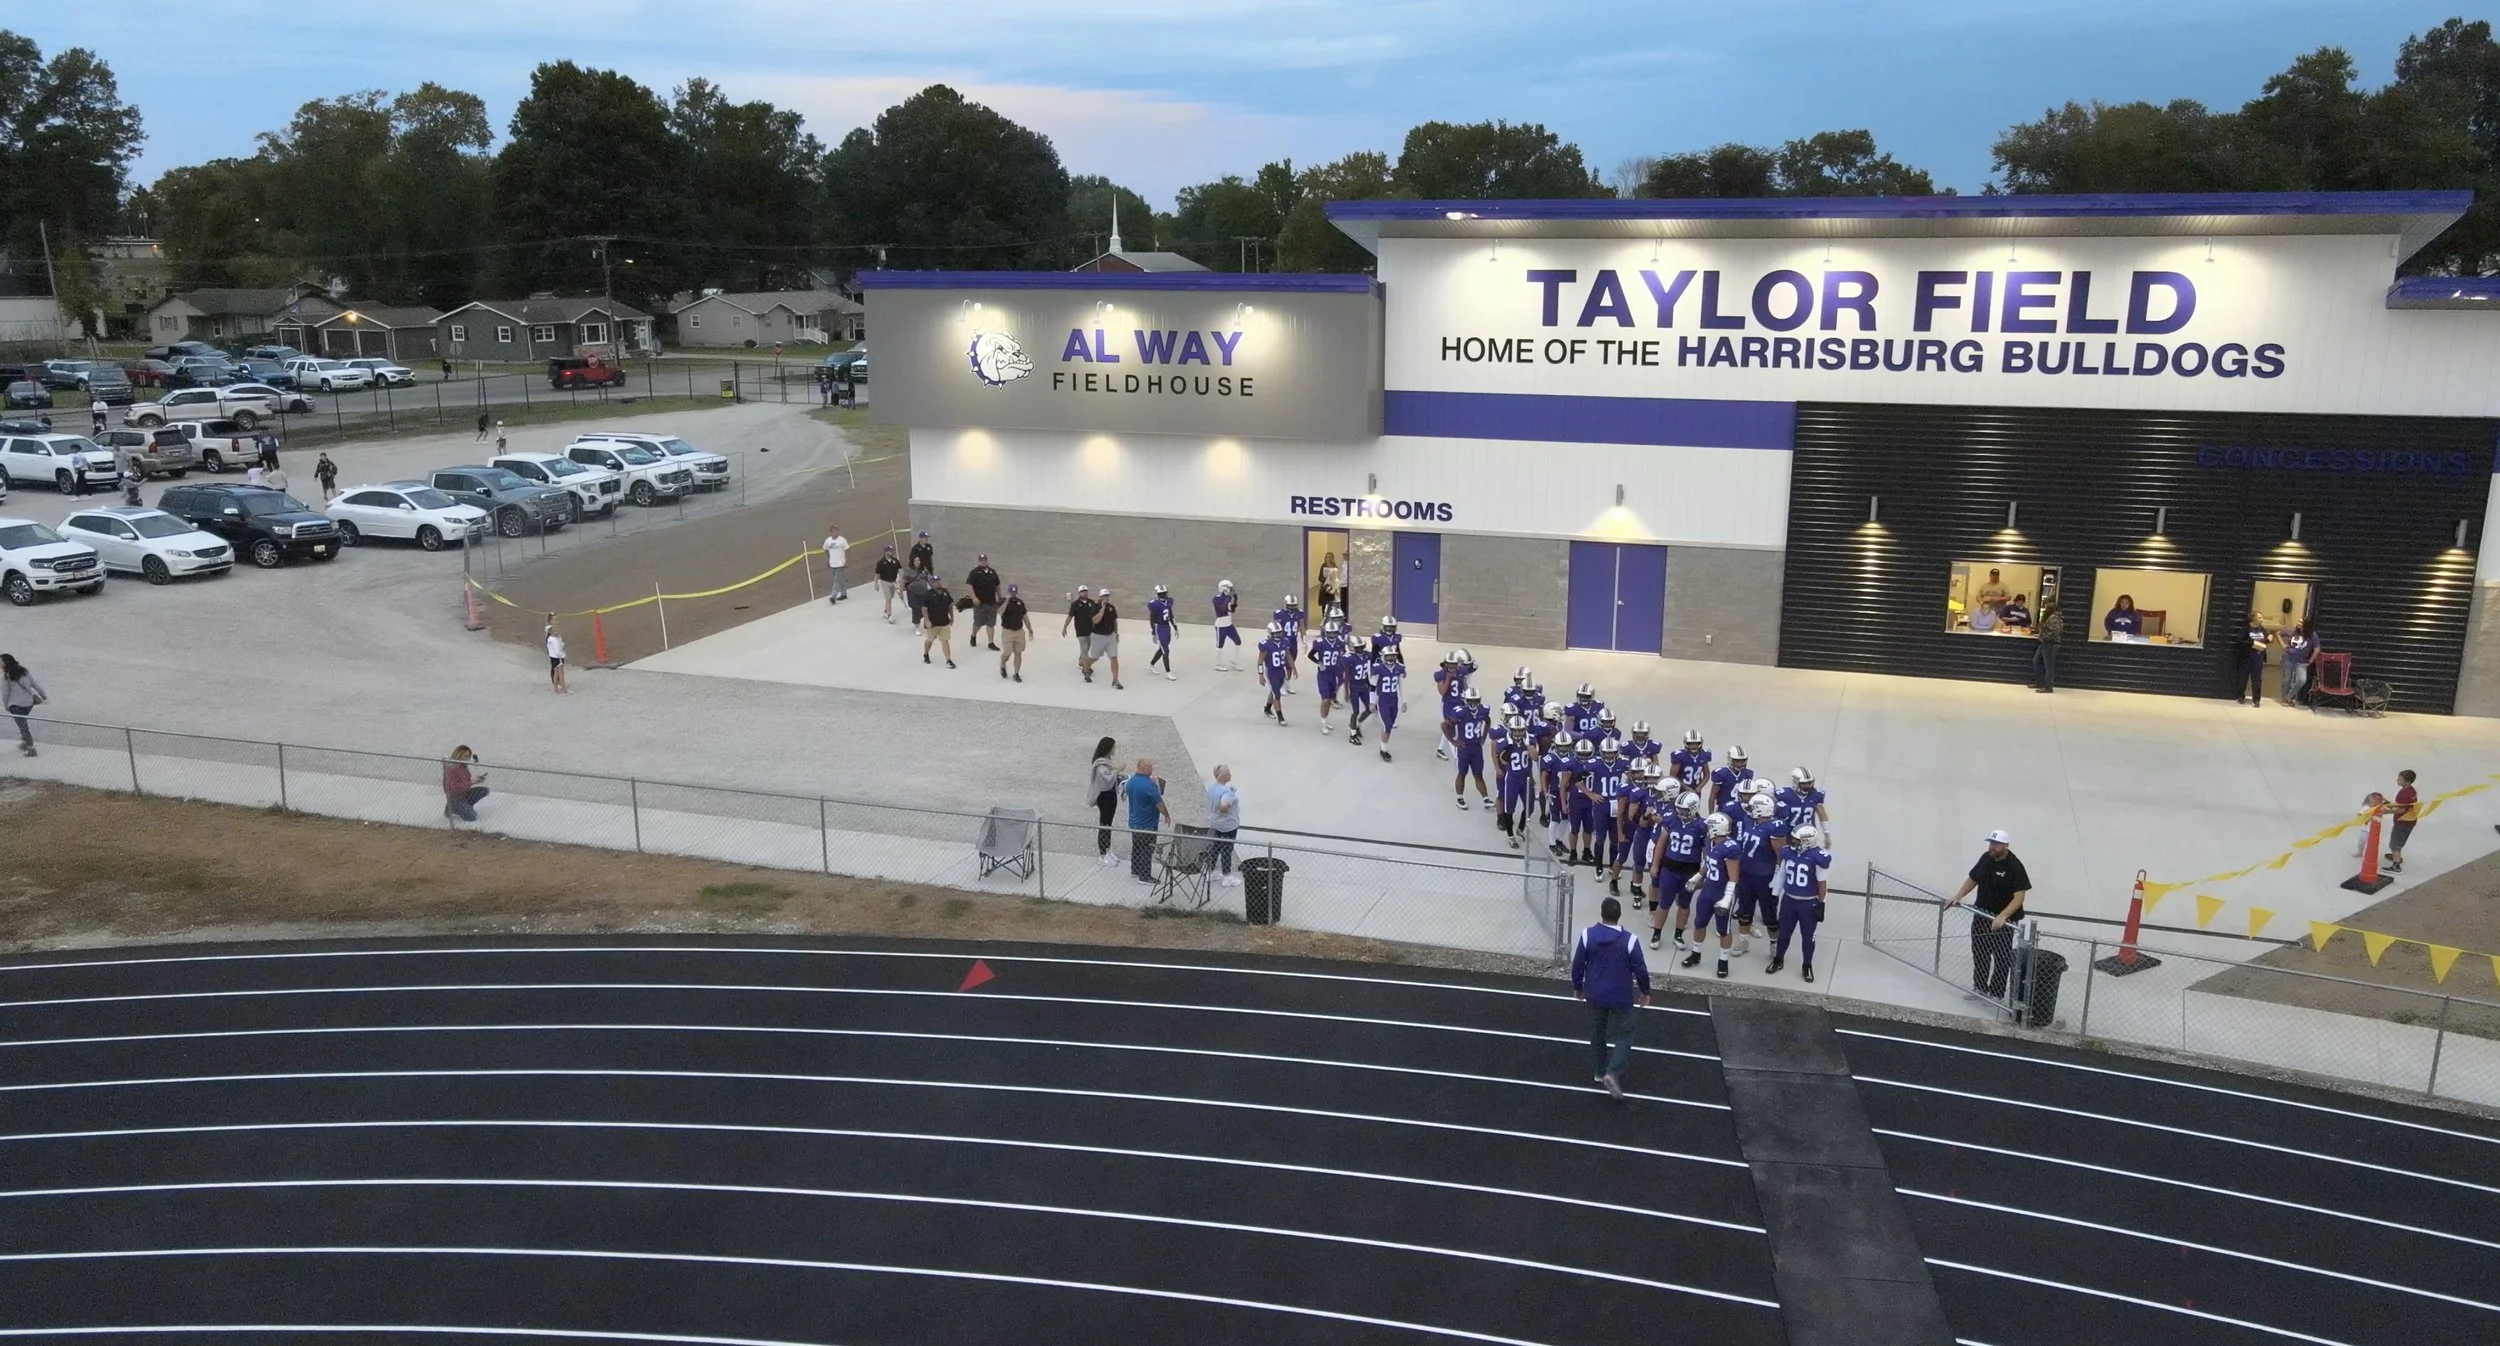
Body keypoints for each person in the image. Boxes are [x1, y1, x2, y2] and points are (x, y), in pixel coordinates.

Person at [1571, 896, 1652, 1101]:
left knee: (1598, 1030)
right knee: (1625, 1033)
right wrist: (1645, 991)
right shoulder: (1630, 940)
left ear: (1601, 914)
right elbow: (1640, 969)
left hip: (1595, 993)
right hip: (1620, 995)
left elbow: (1578, 964)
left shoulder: (1588, 935)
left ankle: (1599, 1072)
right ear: (1619, 916)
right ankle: (1612, 1072)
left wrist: (1577, 987)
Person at [1945, 830, 2030, 1001]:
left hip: (2003, 922)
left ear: (2006, 846)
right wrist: (1958, 896)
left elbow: (2019, 897)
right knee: (1980, 952)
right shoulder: (1986, 858)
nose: (1992, 847)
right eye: (1991, 843)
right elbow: (1973, 879)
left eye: (1996, 845)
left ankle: (1996, 994)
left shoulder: (2014, 866)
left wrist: (2003, 916)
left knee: (2001, 956)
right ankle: (1980, 988)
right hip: (1982, 914)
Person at [1768, 824, 1831, 982]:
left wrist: (1822, 903)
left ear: (1807, 841)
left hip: (1808, 903)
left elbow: (1822, 883)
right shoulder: (1788, 852)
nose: (1793, 843)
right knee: (1784, 933)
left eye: (1797, 840)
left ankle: (1807, 965)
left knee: (1807, 937)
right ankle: (1778, 960)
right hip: (1789, 899)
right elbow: (1782, 874)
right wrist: (1775, 894)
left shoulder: (1818, 857)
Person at [1123, 757, 1169, 883]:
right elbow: (1159, 803)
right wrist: (1166, 815)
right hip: (1147, 824)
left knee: (1137, 846)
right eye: (1150, 767)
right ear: (1144, 768)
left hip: (1134, 821)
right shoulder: (1149, 785)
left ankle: (1135, 869)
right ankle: (1145, 876)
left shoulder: (1131, 782)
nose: (1152, 769)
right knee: (1147, 849)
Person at [2, 653, 46, 758]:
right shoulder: (24, 672)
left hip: (15, 705)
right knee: (23, 723)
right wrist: (43, 695)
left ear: (6, 663)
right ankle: (25, 743)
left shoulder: (6, 677)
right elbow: (34, 684)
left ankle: (31, 748)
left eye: (1, 662)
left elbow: (5, 693)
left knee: (22, 726)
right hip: (28, 703)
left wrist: (6, 705)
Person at [1206, 765, 1242, 886]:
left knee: (1215, 847)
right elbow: (1224, 805)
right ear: (1223, 776)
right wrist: (1222, 810)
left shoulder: (1212, 787)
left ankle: (1209, 872)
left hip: (1214, 823)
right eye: (1228, 774)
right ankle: (1227, 876)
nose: (1230, 775)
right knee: (1227, 849)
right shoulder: (1227, 793)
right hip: (1228, 825)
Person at [1088, 738, 1121, 865]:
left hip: (1111, 796)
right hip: (1105, 797)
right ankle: (1102, 854)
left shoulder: (1107, 762)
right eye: (1113, 747)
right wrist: (1117, 770)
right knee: (1104, 825)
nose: (1114, 750)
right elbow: (1106, 779)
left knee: (1108, 825)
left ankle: (1108, 849)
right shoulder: (1100, 765)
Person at [2385, 769, 2421, 874]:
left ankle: (2396, 866)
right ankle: (2396, 856)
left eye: (2400, 779)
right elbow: (2403, 805)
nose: (2397, 780)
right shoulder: (2411, 791)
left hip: (2402, 823)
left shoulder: (2405, 793)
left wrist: (2385, 812)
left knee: (2395, 844)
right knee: (2399, 841)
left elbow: (2401, 810)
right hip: (2408, 822)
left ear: (2407, 782)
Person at [1373, 646, 1405, 761]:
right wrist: (1372, 702)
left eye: (1392, 655)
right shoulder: (1379, 668)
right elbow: (1373, 686)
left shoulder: (1399, 668)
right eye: (1389, 656)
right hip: (1383, 700)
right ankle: (1383, 750)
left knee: (1389, 725)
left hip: (1394, 699)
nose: (1391, 658)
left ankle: (1383, 746)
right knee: (1387, 725)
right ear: (1383, 656)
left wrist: (1404, 700)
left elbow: (1401, 685)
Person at [442, 745, 489, 822]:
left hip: (464, 794)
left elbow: (466, 780)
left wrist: (477, 779)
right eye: (466, 756)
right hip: (454, 798)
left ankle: (465, 806)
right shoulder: (451, 768)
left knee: (484, 790)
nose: (468, 758)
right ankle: (451, 807)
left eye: (469, 756)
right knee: (472, 817)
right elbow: (455, 788)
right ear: (459, 755)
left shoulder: (463, 766)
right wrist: (471, 782)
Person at [1063, 585, 1100, 682]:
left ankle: (1082, 661)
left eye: (1085, 591)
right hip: (1080, 630)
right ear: (1079, 593)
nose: (1084, 593)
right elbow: (1070, 616)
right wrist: (1065, 627)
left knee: (1087, 647)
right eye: (1082, 591)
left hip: (1090, 630)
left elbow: (1096, 616)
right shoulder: (1075, 604)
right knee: (1084, 650)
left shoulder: (1091, 603)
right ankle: (1086, 670)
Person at [1258, 621, 1290, 725]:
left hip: (1281, 671)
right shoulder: (1266, 645)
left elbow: (1288, 655)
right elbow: (1260, 661)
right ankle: (1280, 716)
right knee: (1277, 694)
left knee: (1273, 691)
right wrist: (1261, 675)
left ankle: (1267, 708)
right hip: (1271, 672)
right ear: (1270, 633)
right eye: (1275, 633)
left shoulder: (1284, 642)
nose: (1277, 635)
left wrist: (1293, 668)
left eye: (1279, 633)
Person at [965, 554, 1001, 647]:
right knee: (978, 622)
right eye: (981, 560)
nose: (983, 561)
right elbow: (969, 585)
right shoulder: (974, 572)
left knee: (991, 623)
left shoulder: (992, 572)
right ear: (979, 561)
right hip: (980, 602)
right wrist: (974, 598)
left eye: (985, 560)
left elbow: (997, 585)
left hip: (991, 602)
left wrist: (1000, 596)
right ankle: (973, 635)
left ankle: (990, 642)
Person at [2239, 611, 2272, 707]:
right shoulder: (2245, 629)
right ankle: (2241, 696)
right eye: (2260, 617)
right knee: (2243, 677)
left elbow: (2264, 642)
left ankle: (2256, 699)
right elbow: (2240, 641)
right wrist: (2252, 643)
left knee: (2257, 679)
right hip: (2247, 657)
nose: (2261, 619)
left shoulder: (2262, 630)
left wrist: (2269, 639)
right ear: (2253, 618)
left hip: (2258, 658)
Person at [1093, 588, 1124, 689]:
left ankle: (1115, 680)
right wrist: (1102, 609)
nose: (1106, 598)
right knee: (1094, 658)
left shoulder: (1112, 608)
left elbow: (1114, 621)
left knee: (1114, 658)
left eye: (1107, 596)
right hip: (1098, 636)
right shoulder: (1095, 607)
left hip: (1110, 636)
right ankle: (1085, 666)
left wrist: (1116, 633)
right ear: (1100, 597)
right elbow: (1095, 621)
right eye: (1104, 596)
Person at [921, 579, 957, 668]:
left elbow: (950, 605)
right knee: (930, 640)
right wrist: (927, 620)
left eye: (939, 581)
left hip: (944, 622)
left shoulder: (945, 592)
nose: (938, 583)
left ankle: (948, 660)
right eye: (935, 582)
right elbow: (924, 609)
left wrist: (952, 617)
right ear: (931, 584)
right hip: (933, 623)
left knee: (945, 640)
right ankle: (926, 653)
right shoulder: (928, 594)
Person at [2279, 621, 2315, 706]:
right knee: (2286, 680)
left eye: (2301, 622)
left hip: (2301, 661)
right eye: (2298, 621)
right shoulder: (2291, 631)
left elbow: (2317, 649)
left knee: (2301, 680)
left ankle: (2289, 696)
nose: (2298, 623)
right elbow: (2278, 633)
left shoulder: (2312, 635)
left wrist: (2310, 661)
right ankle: (2285, 699)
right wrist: (2283, 644)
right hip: (2288, 658)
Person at [999, 584, 1030, 681]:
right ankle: (1002, 663)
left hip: (1018, 631)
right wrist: (1007, 601)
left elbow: (1025, 616)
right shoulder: (1003, 602)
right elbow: (1000, 612)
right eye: (1011, 592)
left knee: (1018, 652)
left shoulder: (1020, 603)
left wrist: (1030, 629)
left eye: (1014, 592)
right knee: (1007, 652)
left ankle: (1016, 673)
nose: (1013, 594)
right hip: (1007, 631)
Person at [2031, 600, 2062, 692]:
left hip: (2050, 644)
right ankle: (2040, 682)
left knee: (2049, 666)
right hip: (2045, 643)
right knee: (2036, 661)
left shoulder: (2054, 618)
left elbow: (2055, 632)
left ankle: (2048, 687)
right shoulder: (2050, 616)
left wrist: (2044, 637)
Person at [1147, 584, 1177, 681]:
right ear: (1157, 594)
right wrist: (1153, 633)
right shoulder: (1154, 604)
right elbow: (1152, 620)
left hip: (1166, 626)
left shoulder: (1169, 602)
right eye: (1161, 593)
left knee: (1162, 649)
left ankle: (1151, 665)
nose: (1163, 595)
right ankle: (1168, 672)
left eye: (1164, 593)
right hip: (1159, 627)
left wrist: (1175, 627)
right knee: (1166, 651)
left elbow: (1171, 615)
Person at [1211, 580, 1243, 671]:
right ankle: (1218, 664)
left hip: (1229, 624)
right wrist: (1228, 598)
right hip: (1221, 625)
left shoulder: (1228, 598)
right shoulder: (1216, 599)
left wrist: (1235, 600)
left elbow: (1232, 610)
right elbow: (1223, 609)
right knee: (1220, 645)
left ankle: (1234, 661)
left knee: (1238, 642)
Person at [874, 544, 902, 621]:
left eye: (892, 550)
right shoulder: (881, 562)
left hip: (893, 581)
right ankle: (889, 615)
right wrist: (876, 583)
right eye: (890, 551)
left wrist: (901, 578)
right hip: (885, 581)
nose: (891, 552)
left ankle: (886, 610)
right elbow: (877, 574)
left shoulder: (895, 561)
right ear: (886, 552)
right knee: (888, 598)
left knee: (891, 597)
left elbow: (900, 569)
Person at [822, 527, 850, 603]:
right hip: (832, 563)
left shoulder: (842, 540)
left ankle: (833, 596)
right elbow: (825, 549)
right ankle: (843, 594)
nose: (836, 533)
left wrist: (846, 560)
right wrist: (828, 559)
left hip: (840, 563)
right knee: (839, 579)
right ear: (831, 532)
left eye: (837, 531)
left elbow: (847, 549)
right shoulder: (828, 541)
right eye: (834, 531)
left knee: (836, 580)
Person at [545, 617, 569, 692]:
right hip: (558, 657)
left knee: (556, 672)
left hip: (554, 657)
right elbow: (558, 649)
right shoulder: (554, 639)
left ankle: (556, 688)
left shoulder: (551, 639)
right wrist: (563, 654)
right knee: (561, 673)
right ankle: (563, 688)